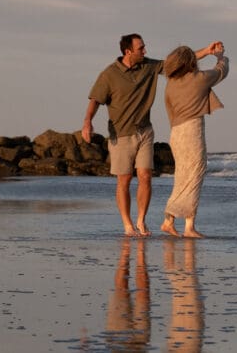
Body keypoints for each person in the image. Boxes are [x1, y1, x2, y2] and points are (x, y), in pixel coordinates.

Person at [83, 33, 220, 237]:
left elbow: (178, 62)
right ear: (128, 51)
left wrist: (207, 52)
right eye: (141, 48)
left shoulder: (148, 66)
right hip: (121, 133)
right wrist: (88, 122)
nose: (145, 51)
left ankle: (141, 221)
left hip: (145, 130)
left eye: (144, 47)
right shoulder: (109, 74)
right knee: (125, 179)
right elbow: (95, 99)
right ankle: (128, 225)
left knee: (145, 176)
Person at [160, 43, 229, 238]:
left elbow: (181, 64)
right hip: (191, 131)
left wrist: (206, 51)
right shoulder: (199, 79)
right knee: (195, 174)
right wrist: (220, 56)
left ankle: (169, 221)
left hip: (175, 133)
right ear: (191, 63)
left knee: (182, 176)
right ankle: (188, 226)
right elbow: (221, 71)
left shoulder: (171, 82)